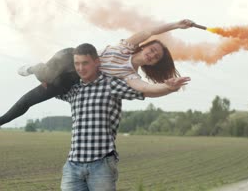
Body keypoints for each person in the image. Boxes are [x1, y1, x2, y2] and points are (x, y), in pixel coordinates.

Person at [0, 19, 193, 135]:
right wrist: (175, 25)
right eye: (153, 49)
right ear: (145, 47)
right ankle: (33, 68)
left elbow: (146, 89)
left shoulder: (128, 75)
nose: (152, 53)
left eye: (156, 56)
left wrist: (167, 86)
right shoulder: (126, 46)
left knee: (30, 99)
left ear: (153, 63)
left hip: (72, 80)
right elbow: (149, 31)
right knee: (45, 72)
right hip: (73, 57)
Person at [59, 43, 178, 190]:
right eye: (77, 64)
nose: (81, 68)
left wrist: (168, 88)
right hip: (73, 165)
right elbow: (48, 89)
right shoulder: (74, 89)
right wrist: (43, 76)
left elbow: (145, 91)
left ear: (96, 62)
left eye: (85, 63)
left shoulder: (111, 84)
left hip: (101, 165)